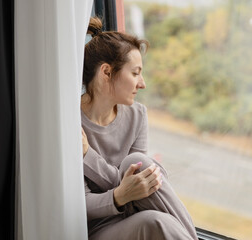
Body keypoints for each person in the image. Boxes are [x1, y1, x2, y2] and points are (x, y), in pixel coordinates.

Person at [81, 17, 198, 240]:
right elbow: (80, 205)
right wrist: (118, 197)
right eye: (135, 73)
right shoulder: (71, 123)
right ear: (106, 72)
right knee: (154, 220)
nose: (142, 83)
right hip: (100, 227)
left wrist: (88, 156)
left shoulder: (137, 115)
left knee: (137, 163)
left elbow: (139, 187)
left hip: (135, 209)